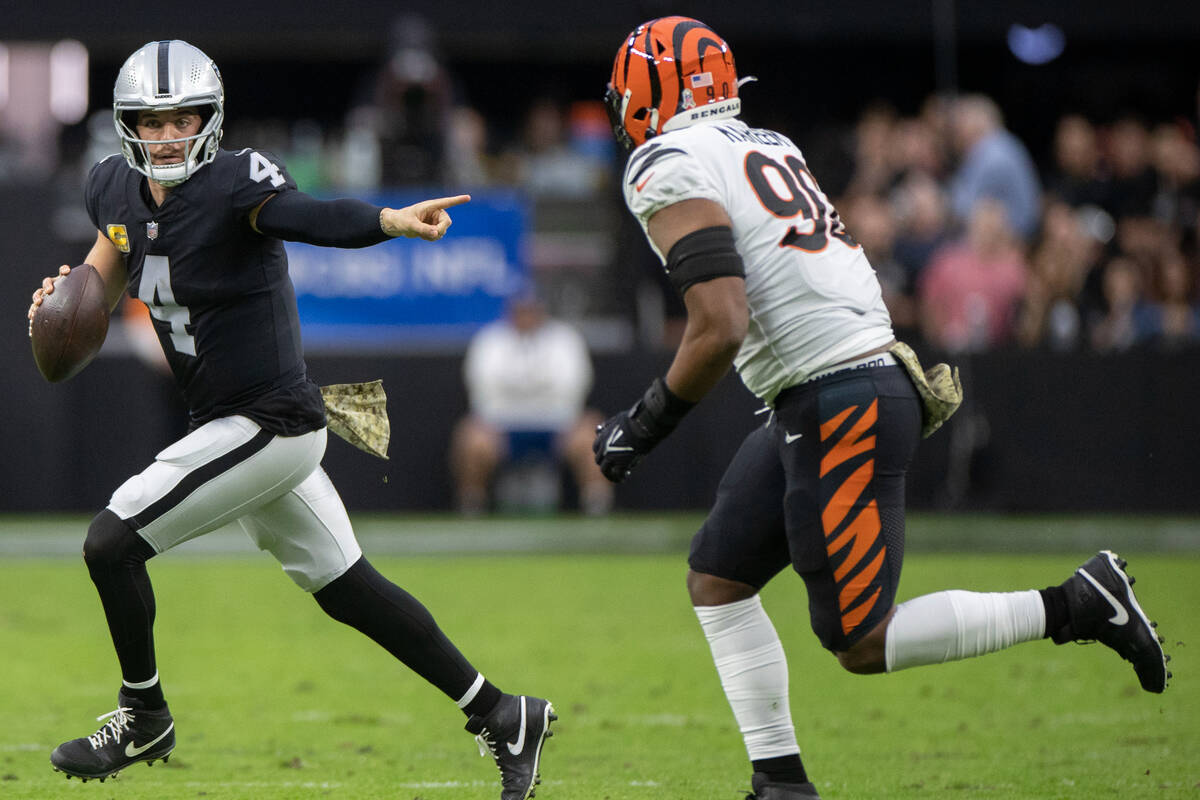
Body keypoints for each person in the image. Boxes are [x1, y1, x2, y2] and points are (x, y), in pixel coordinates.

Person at [592, 17, 1170, 800]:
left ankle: (1077, 603)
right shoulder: (770, 144)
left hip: (838, 395)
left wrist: (644, 421)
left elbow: (719, 323)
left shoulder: (666, 161)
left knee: (861, 640)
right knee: (718, 576)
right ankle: (780, 781)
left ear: (649, 92)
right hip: (829, 386)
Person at [26, 40, 553, 800]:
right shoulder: (113, 188)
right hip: (230, 423)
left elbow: (311, 215)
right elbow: (101, 280)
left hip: (268, 422)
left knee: (111, 540)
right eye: (154, 120)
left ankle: (144, 715)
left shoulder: (237, 180)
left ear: (210, 121)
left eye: (185, 119)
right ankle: (504, 715)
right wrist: (60, 305)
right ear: (127, 124)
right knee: (350, 589)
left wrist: (387, 219)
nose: (170, 135)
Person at [450, 289, 613, 515]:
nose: (526, 316)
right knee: (471, 436)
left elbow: (573, 387)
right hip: (502, 427)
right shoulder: (489, 341)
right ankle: (472, 505)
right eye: (520, 311)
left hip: (558, 426)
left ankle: (597, 504)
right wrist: (538, 388)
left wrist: (517, 388)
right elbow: (483, 390)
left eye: (531, 310)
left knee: (592, 432)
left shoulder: (565, 339)